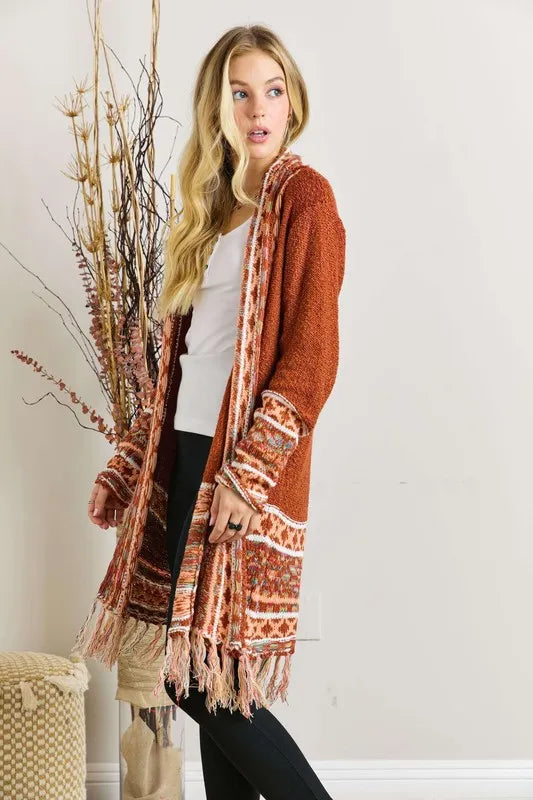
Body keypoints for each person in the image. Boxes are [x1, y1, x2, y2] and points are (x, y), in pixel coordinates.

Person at [84, 23, 345, 800]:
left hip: (240, 470)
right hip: (188, 456)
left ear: (292, 102)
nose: (257, 108)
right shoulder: (210, 209)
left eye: (272, 90)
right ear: (215, 109)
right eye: (239, 93)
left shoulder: (304, 199)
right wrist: (129, 466)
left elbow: (311, 357)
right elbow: (178, 370)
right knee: (212, 672)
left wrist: (248, 474)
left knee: (195, 680)